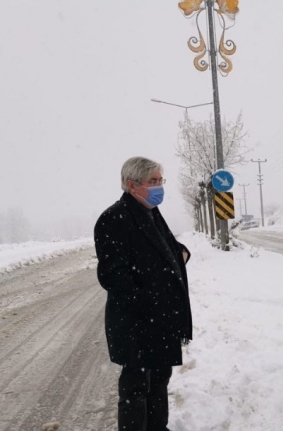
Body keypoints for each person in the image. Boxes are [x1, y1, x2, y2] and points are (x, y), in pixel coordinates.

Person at [94, 156, 192, 431]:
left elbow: (167, 246)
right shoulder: (114, 219)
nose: (159, 186)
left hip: (161, 320)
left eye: (161, 181)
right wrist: (150, 303)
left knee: (159, 383)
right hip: (137, 322)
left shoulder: (150, 211)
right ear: (131, 185)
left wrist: (181, 252)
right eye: (153, 181)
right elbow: (113, 277)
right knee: (136, 389)